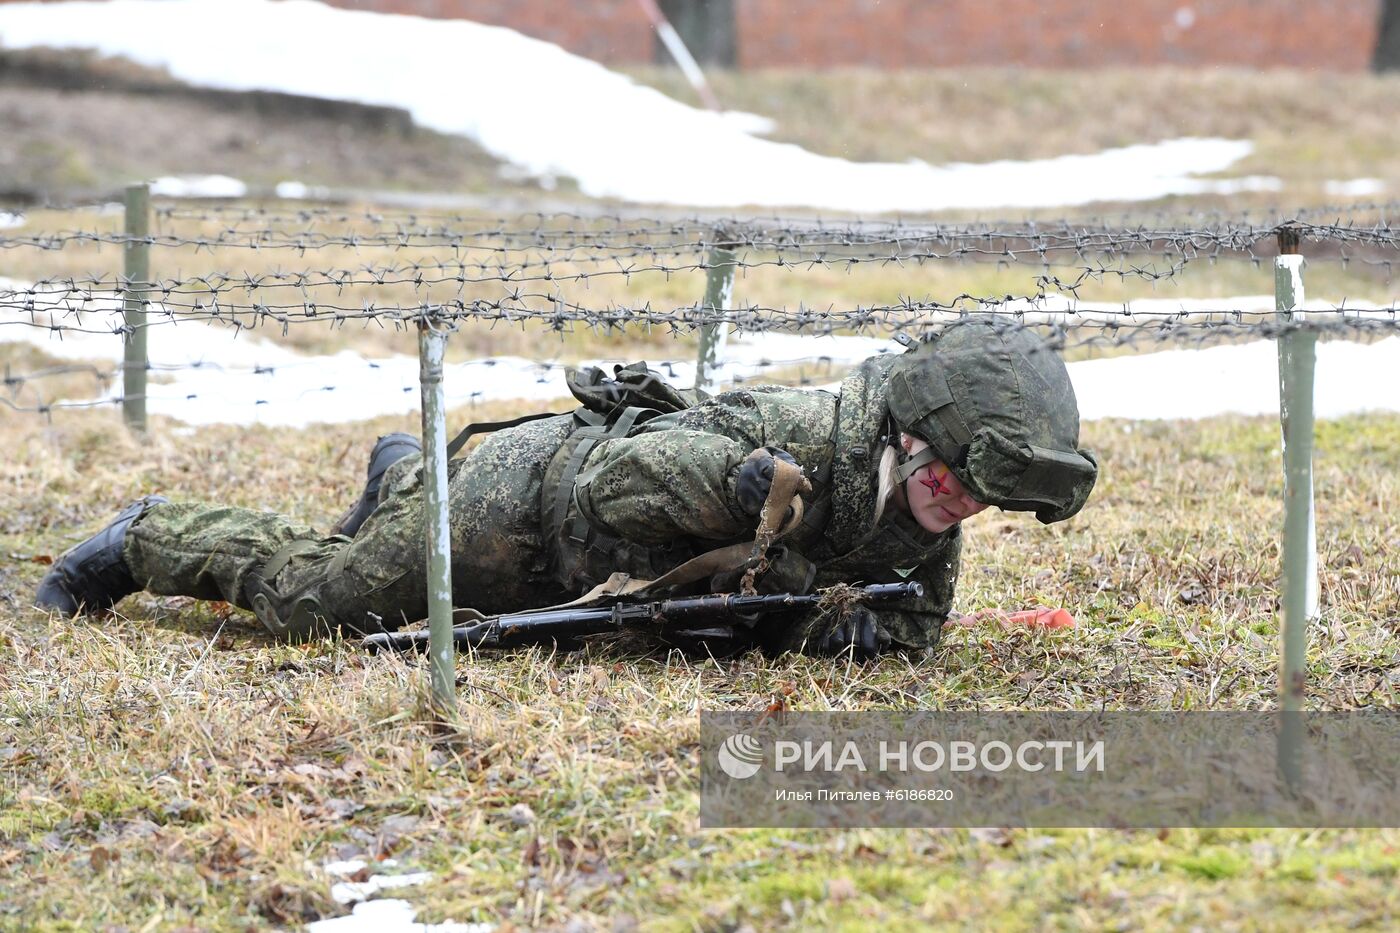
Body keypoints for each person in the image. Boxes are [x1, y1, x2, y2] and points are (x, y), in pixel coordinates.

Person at [35, 320, 1098, 657]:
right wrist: (735, 502)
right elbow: (615, 486)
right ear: (909, 441)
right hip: (528, 501)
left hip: (589, 595)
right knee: (319, 608)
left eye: (984, 502)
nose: (963, 508)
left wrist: (833, 631)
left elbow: (908, 643)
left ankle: (406, 475)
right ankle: (141, 539)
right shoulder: (795, 449)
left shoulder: (917, 518)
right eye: (956, 481)